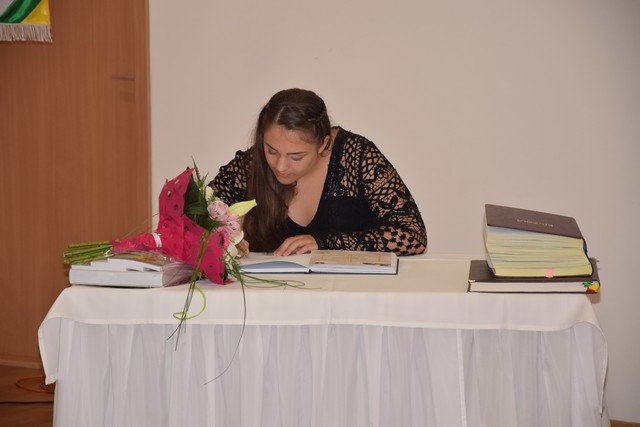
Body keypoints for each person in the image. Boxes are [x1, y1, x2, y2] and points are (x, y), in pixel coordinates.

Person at [209, 88, 427, 256]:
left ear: (324, 144)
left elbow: (413, 236)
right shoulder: (251, 164)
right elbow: (198, 213)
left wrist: (326, 243)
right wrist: (224, 239)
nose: (281, 166)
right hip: (276, 296)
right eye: (272, 150)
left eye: (296, 157)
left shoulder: (356, 156)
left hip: (354, 294)